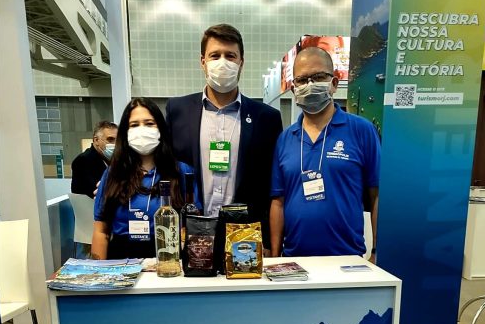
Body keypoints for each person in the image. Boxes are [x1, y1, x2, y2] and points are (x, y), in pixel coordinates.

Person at [165, 23, 283, 248]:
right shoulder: (177, 111)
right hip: (191, 233)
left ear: (241, 63)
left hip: (245, 237)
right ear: (203, 62)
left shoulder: (266, 118)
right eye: (215, 55)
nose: (222, 62)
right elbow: (165, 167)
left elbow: (270, 185)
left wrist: (269, 243)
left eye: (230, 56)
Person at [270, 47, 380, 262]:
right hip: (294, 261)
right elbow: (278, 202)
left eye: (319, 77)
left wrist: (377, 251)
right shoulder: (285, 139)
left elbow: (377, 195)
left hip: (347, 259)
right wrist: (275, 257)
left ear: (334, 83)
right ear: (293, 89)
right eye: (302, 80)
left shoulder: (361, 130)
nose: (310, 85)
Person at [92, 97, 185, 260]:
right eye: (134, 125)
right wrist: (97, 271)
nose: (142, 130)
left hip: (167, 258)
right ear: (125, 132)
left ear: (160, 128)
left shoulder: (181, 172)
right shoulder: (113, 173)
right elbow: (101, 231)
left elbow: (190, 227)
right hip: (120, 262)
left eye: (149, 123)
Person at [71, 120, 117, 198]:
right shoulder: (83, 161)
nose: (115, 144)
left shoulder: (115, 160)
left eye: (118, 140)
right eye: (110, 139)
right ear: (96, 140)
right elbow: (94, 191)